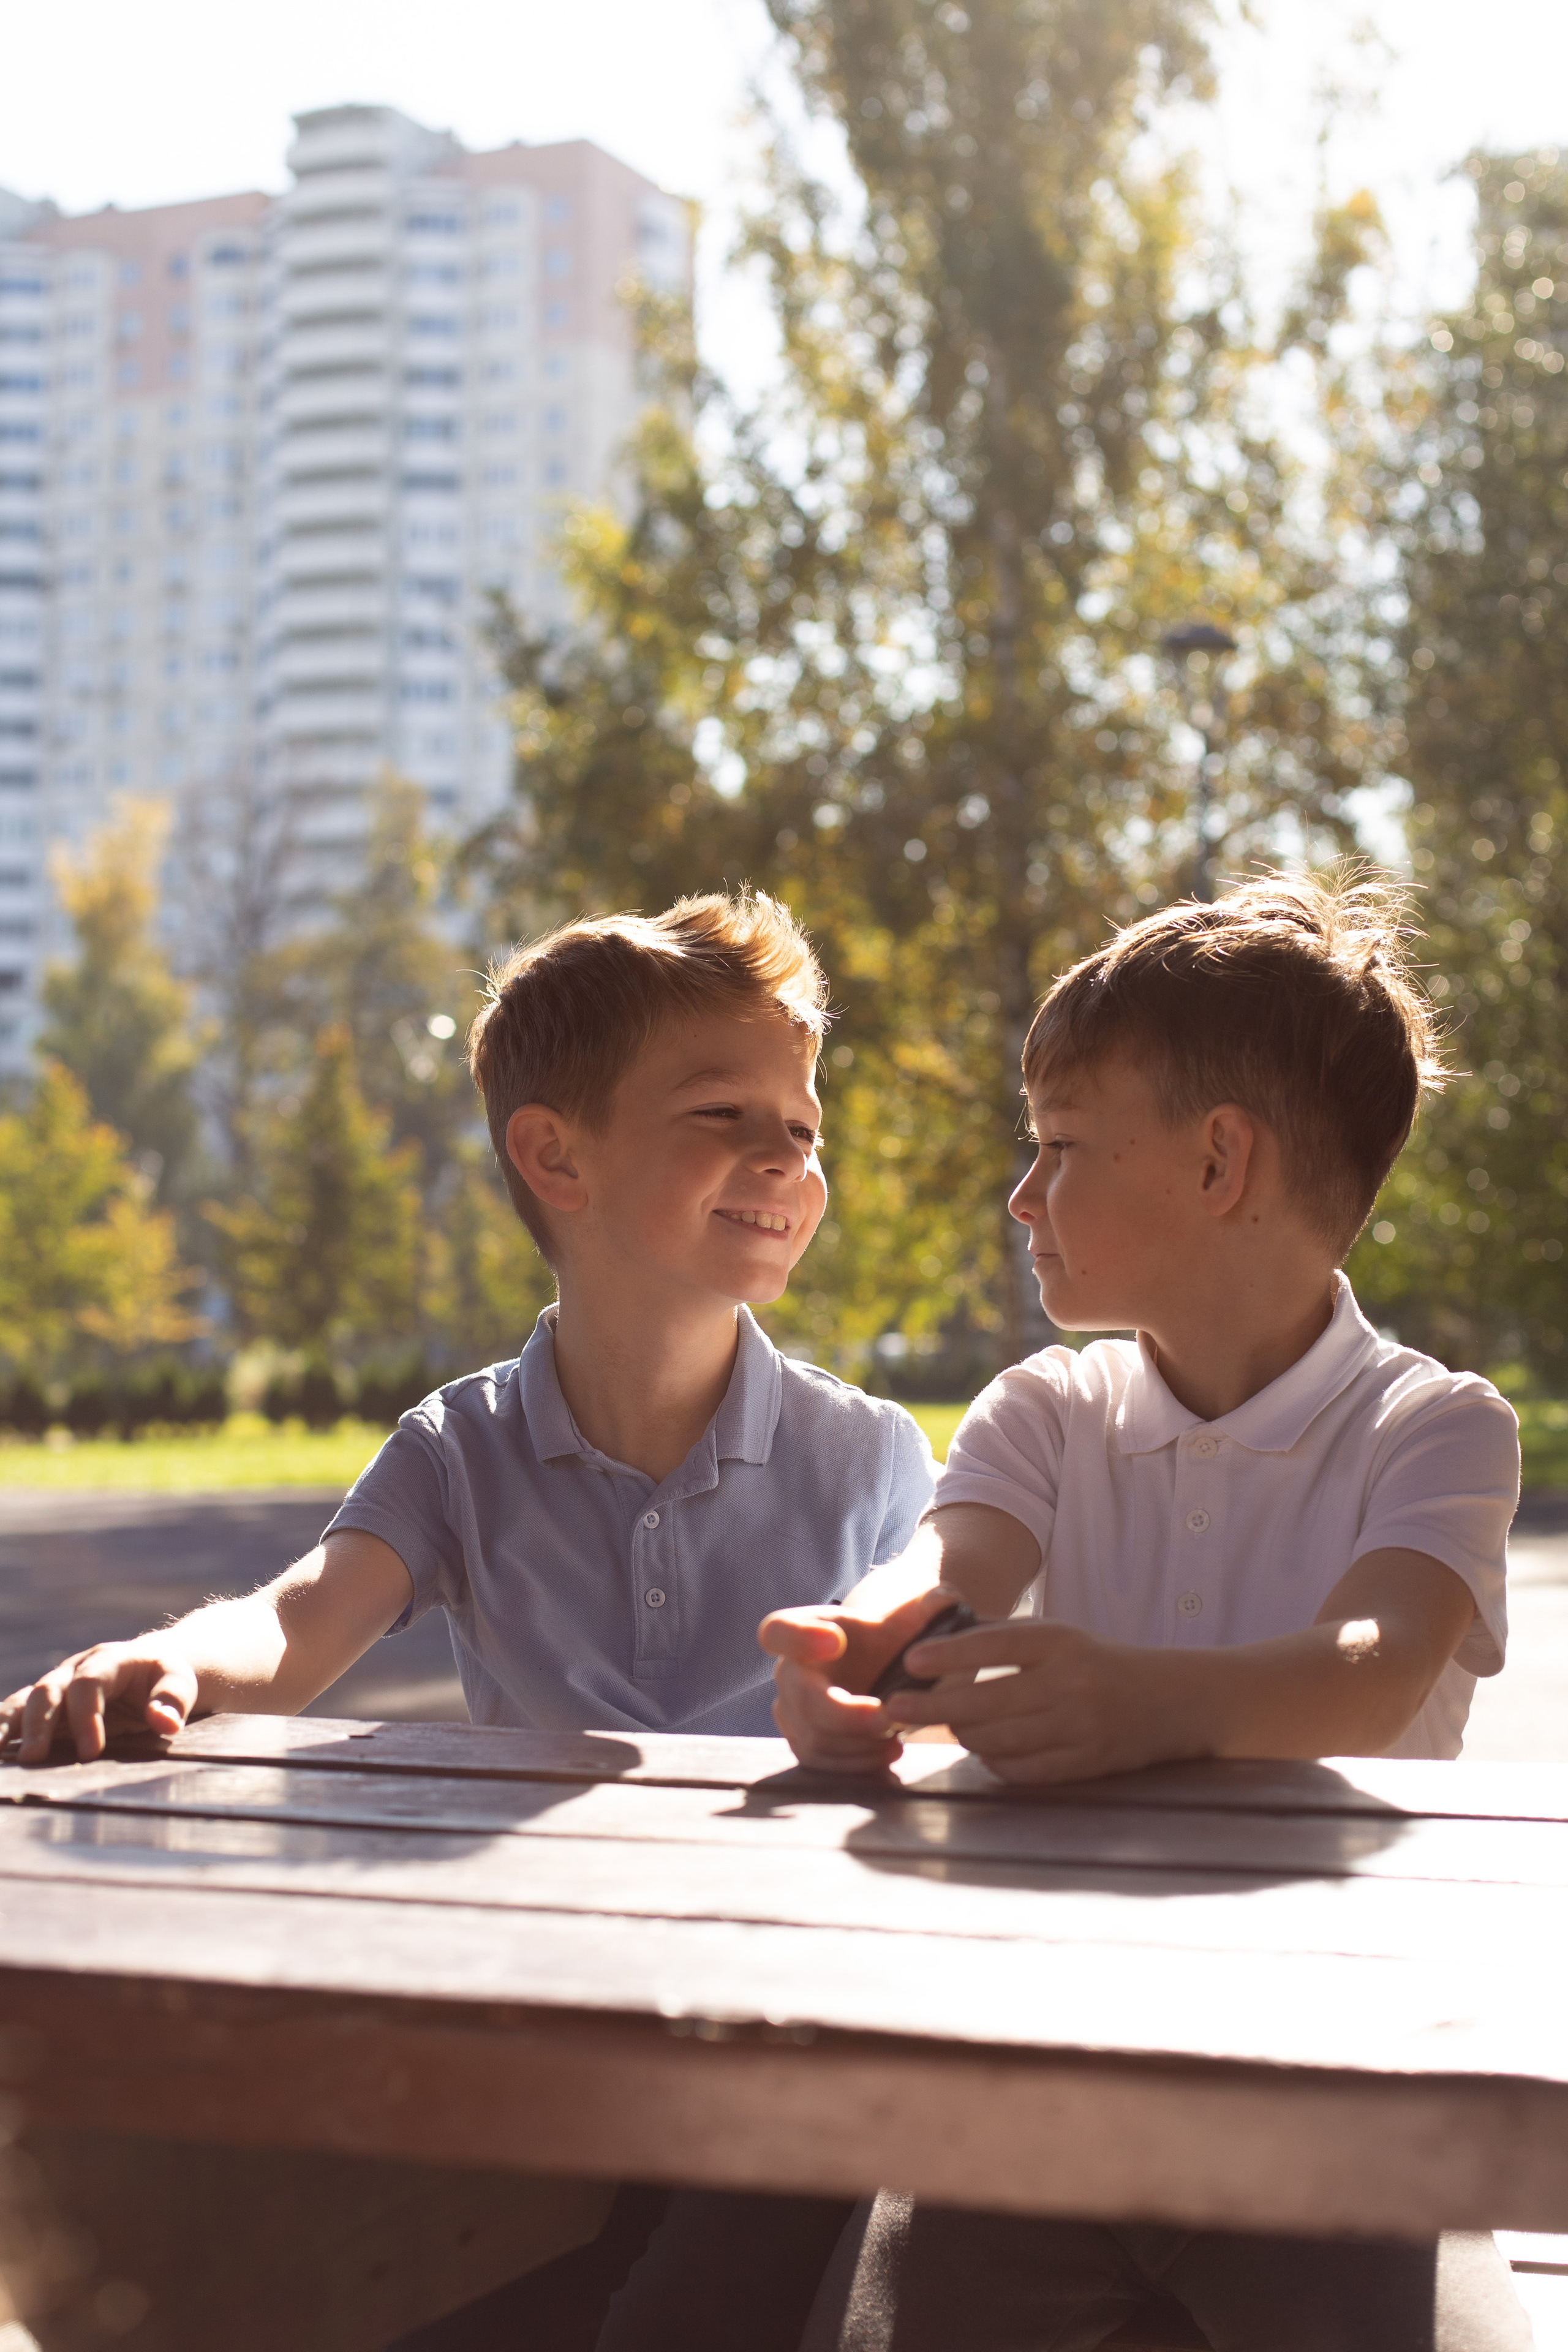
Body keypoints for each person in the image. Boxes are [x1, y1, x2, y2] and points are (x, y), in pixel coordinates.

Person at [2, 889, 929, 2352]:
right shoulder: (459, 1449)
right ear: (555, 1156)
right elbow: (301, 1620)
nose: (785, 1159)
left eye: (803, 1129)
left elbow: (929, 1712)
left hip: (783, 2012)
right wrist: (170, 1657)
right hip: (546, 2002)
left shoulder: (869, 1456)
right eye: (722, 1114)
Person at [761, 873, 1530, 2352]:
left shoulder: (1435, 1428)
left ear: (1219, 1162)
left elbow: (1376, 1668)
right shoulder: (1044, 1410)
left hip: (1340, 2085)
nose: (1021, 1195)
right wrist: (852, 1654)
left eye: (1057, 1147)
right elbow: (938, 1569)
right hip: (1047, 2062)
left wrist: (1147, 1704)